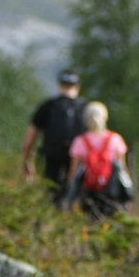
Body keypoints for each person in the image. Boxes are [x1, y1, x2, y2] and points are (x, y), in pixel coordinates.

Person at [21, 69, 86, 203]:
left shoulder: (48, 106)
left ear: (60, 85)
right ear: (78, 87)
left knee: (50, 196)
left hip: (52, 158)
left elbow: (30, 139)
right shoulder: (85, 108)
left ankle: (50, 220)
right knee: (74, 198)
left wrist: (27, 162)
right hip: (78, 162)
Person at [64, 100, 131, 219]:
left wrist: (70, 189)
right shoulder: (115, 139)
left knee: (88, 219)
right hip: (111, 190)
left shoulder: (80, 141)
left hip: (88, 189)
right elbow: (123, 168)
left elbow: (73, 170)